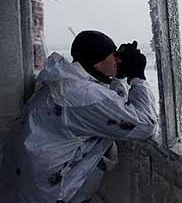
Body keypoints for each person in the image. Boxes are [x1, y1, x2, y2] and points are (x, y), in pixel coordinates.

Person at [0, 30, 157, 203]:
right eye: (114, 56)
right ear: (98, 61)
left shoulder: (63, 82)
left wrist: (118, 77)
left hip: (25, 181)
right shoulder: (83, 95)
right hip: (47, 193)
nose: (118, 60)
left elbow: (107, 107)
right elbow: (145, 125)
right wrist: (137, 77)